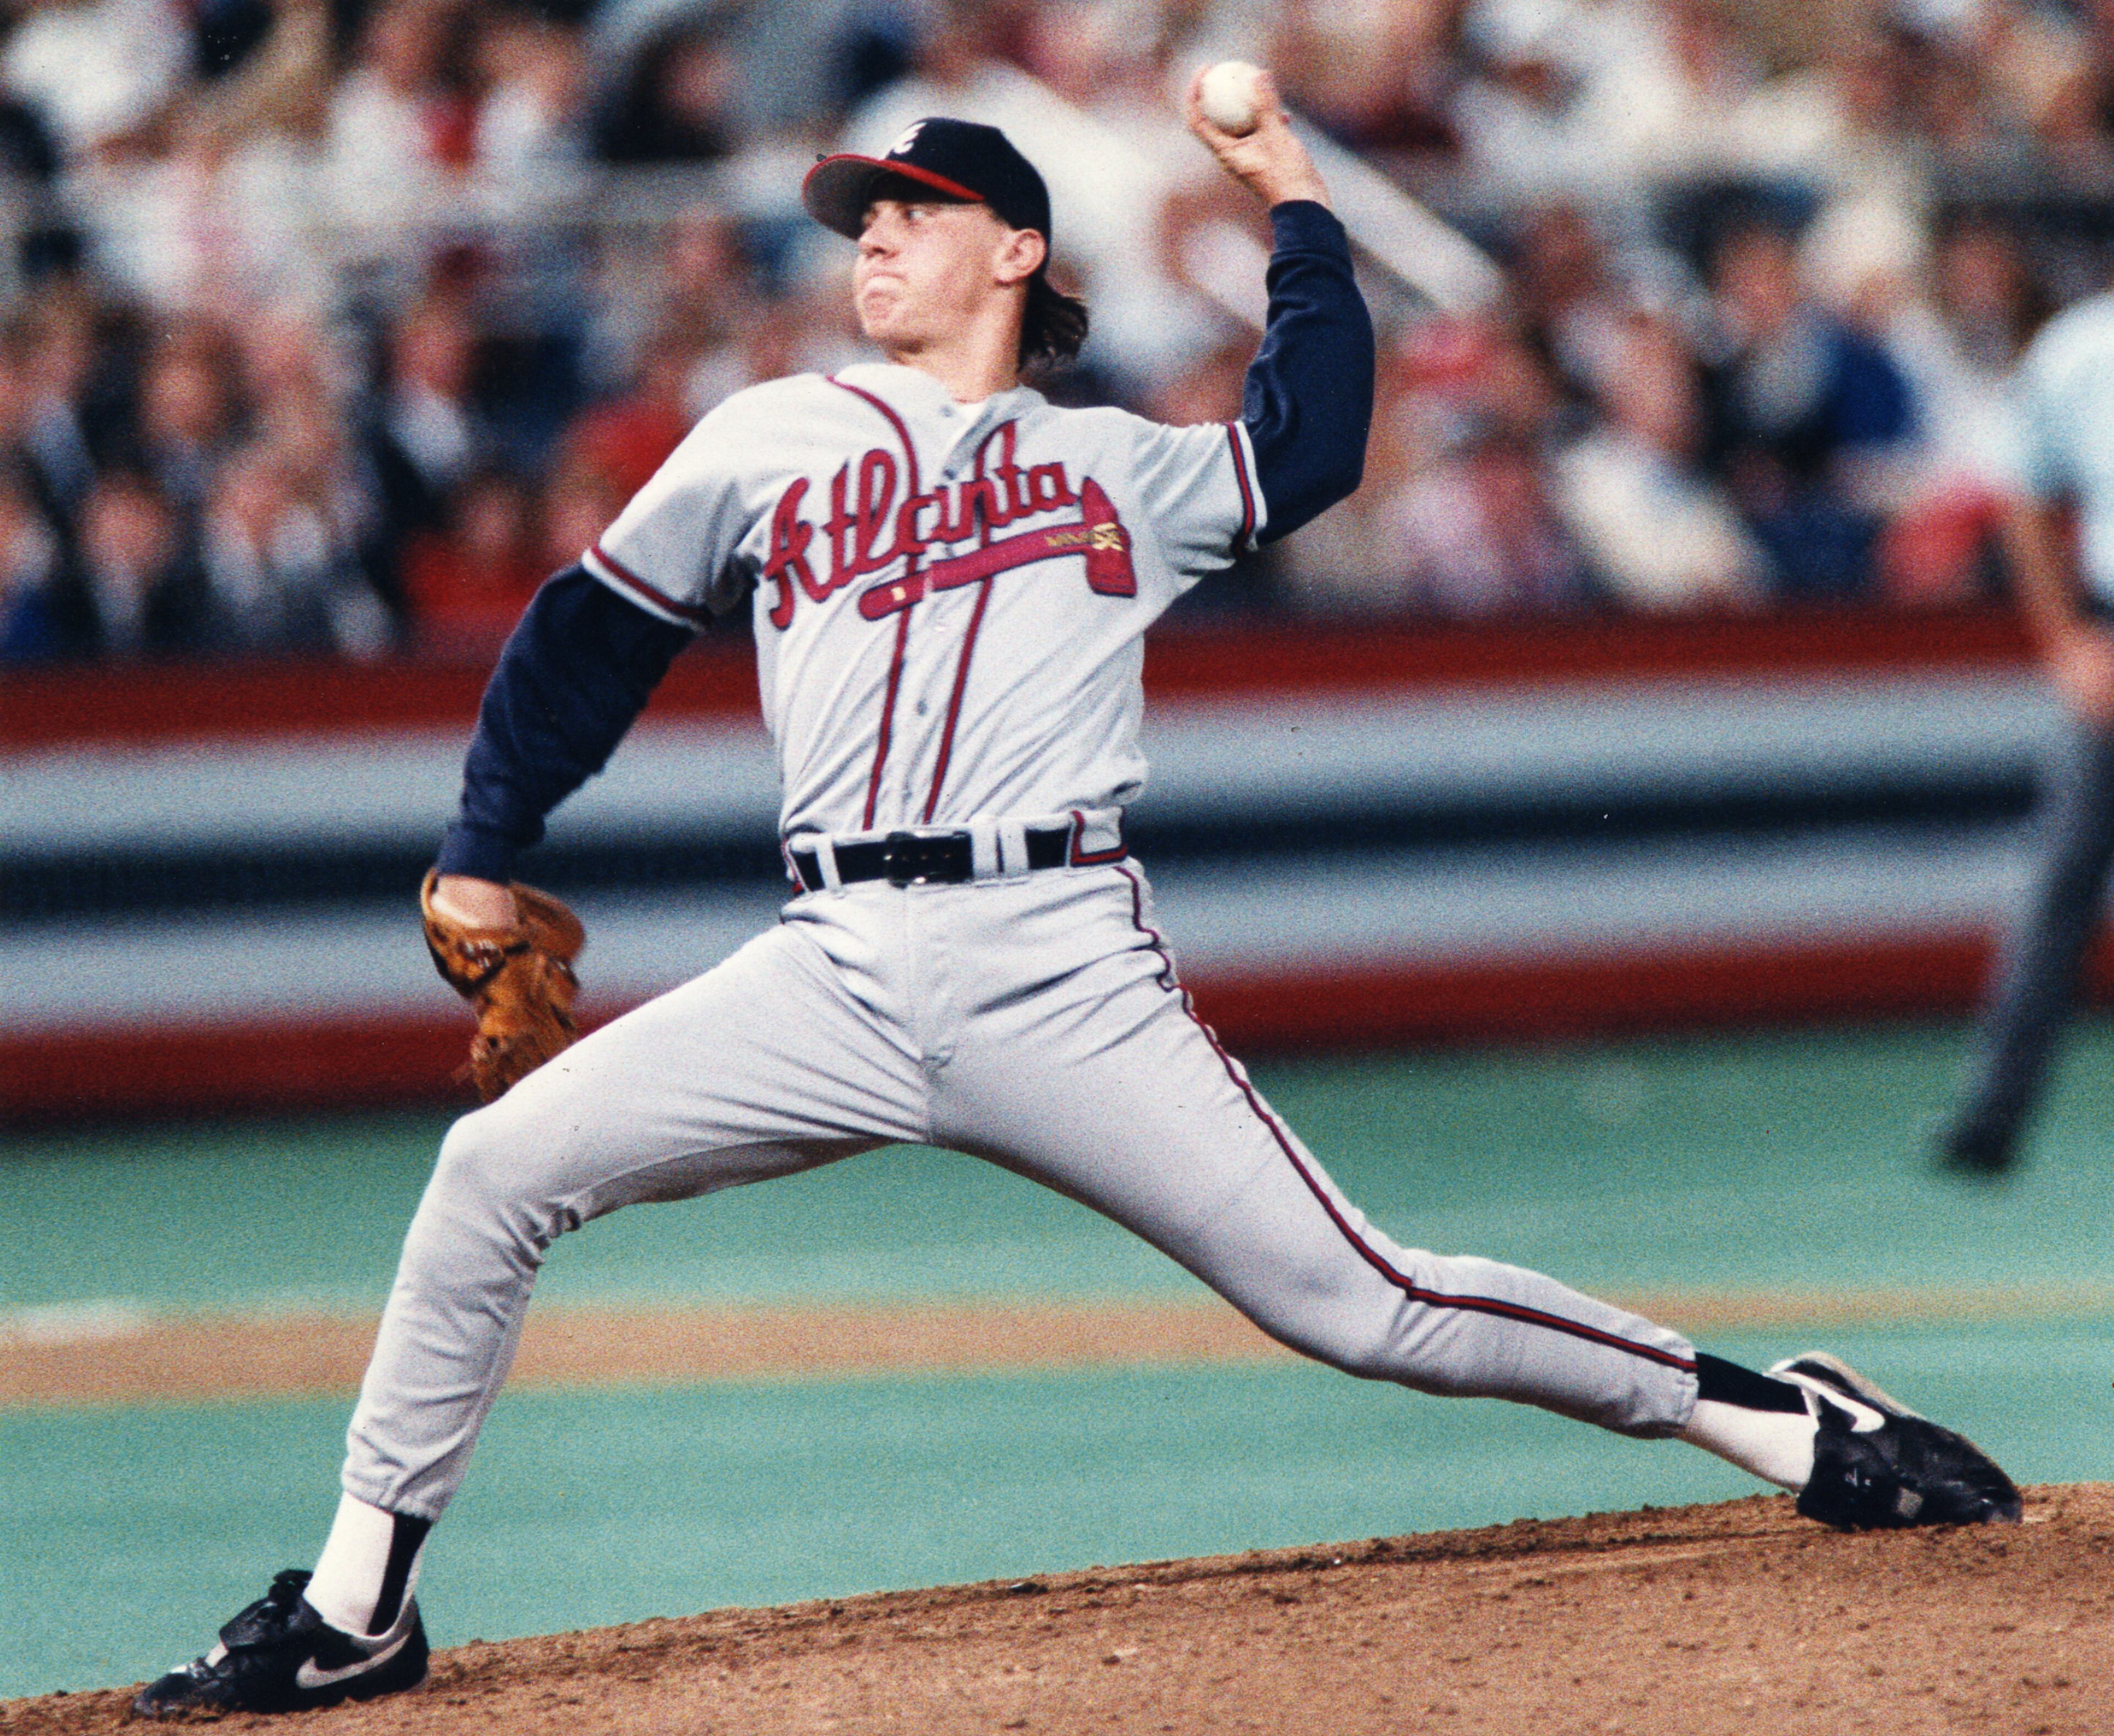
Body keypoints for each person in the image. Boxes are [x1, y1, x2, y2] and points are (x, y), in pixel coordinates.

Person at [135, 85, 2022, 1721]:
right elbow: (583, 639)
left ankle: (1782, 1418)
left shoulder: (1118, 464)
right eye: (860, 219)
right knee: (488, 1176)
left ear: (1018, 248)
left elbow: (1316, 440)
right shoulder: (766, 437)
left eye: (912, 213)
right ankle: (353, 1610)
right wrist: (488, 832)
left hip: (1057, 970)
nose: (872, 240)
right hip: (831, 969)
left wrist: (1292, 189)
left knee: (1363, 1304)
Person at [1938, 285, 2114, 1173]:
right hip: (2112, 632)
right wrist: (2068, 641)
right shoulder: (2081, 350)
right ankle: (1994, 1111)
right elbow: (2024, 502)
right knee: (2063, 880)